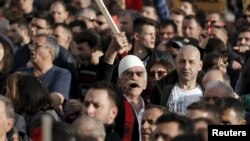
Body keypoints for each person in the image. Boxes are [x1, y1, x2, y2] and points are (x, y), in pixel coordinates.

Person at [17, 34, 71, 111]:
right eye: (31, 45)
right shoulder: (21, 72)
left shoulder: (61, 74)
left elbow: (55, 100)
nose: (32, 48)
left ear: (50, 51)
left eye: (37, 46)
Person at [151, 45, 203, 114]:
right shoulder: (161, 88)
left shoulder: (208, 90)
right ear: (176, 63)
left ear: (200, 66)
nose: (186, 67)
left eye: (191, 62)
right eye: (182, 61)